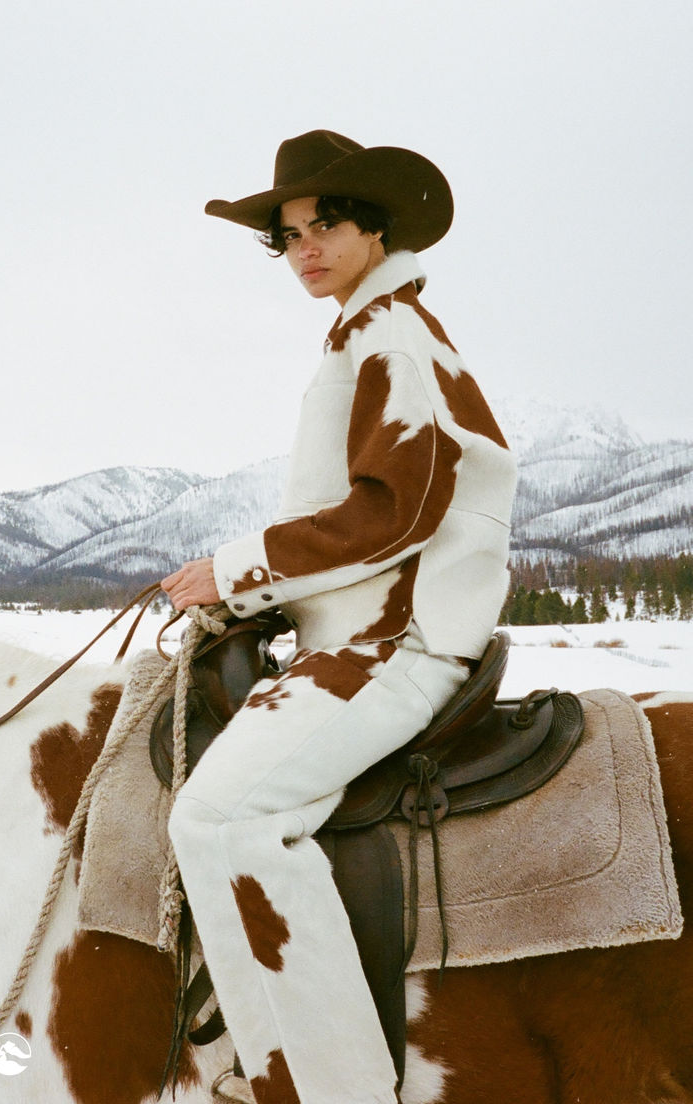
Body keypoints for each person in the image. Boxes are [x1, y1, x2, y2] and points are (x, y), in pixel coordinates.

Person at [162, 129, 517, 1104]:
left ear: (374, 227)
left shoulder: (389, 338)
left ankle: (334, 1086)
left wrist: (233, 572)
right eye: (288, 235)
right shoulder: (368, 331)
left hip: (388, 645)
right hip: (358, 634)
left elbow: (393, 508)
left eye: (325, 224)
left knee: (221, 817)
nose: (305, 248)